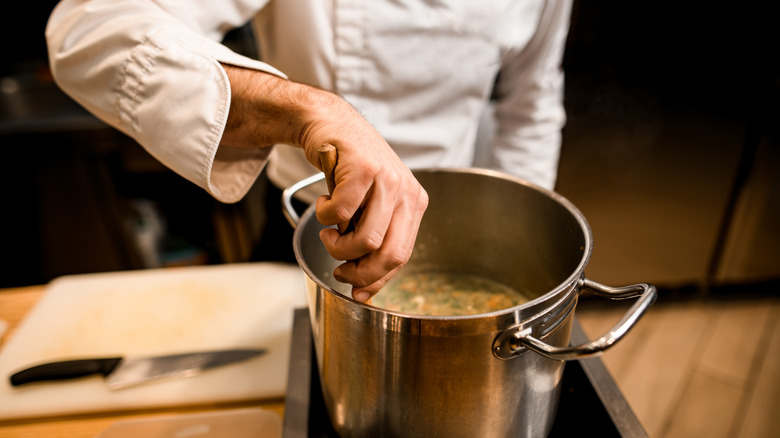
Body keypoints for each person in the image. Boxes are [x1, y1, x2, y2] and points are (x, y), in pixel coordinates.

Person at [45, 0, 573, 302]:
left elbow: (531, 104)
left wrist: (516, 240)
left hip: (451, 219)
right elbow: (89, 28)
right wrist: (305, 112)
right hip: (312, 224)